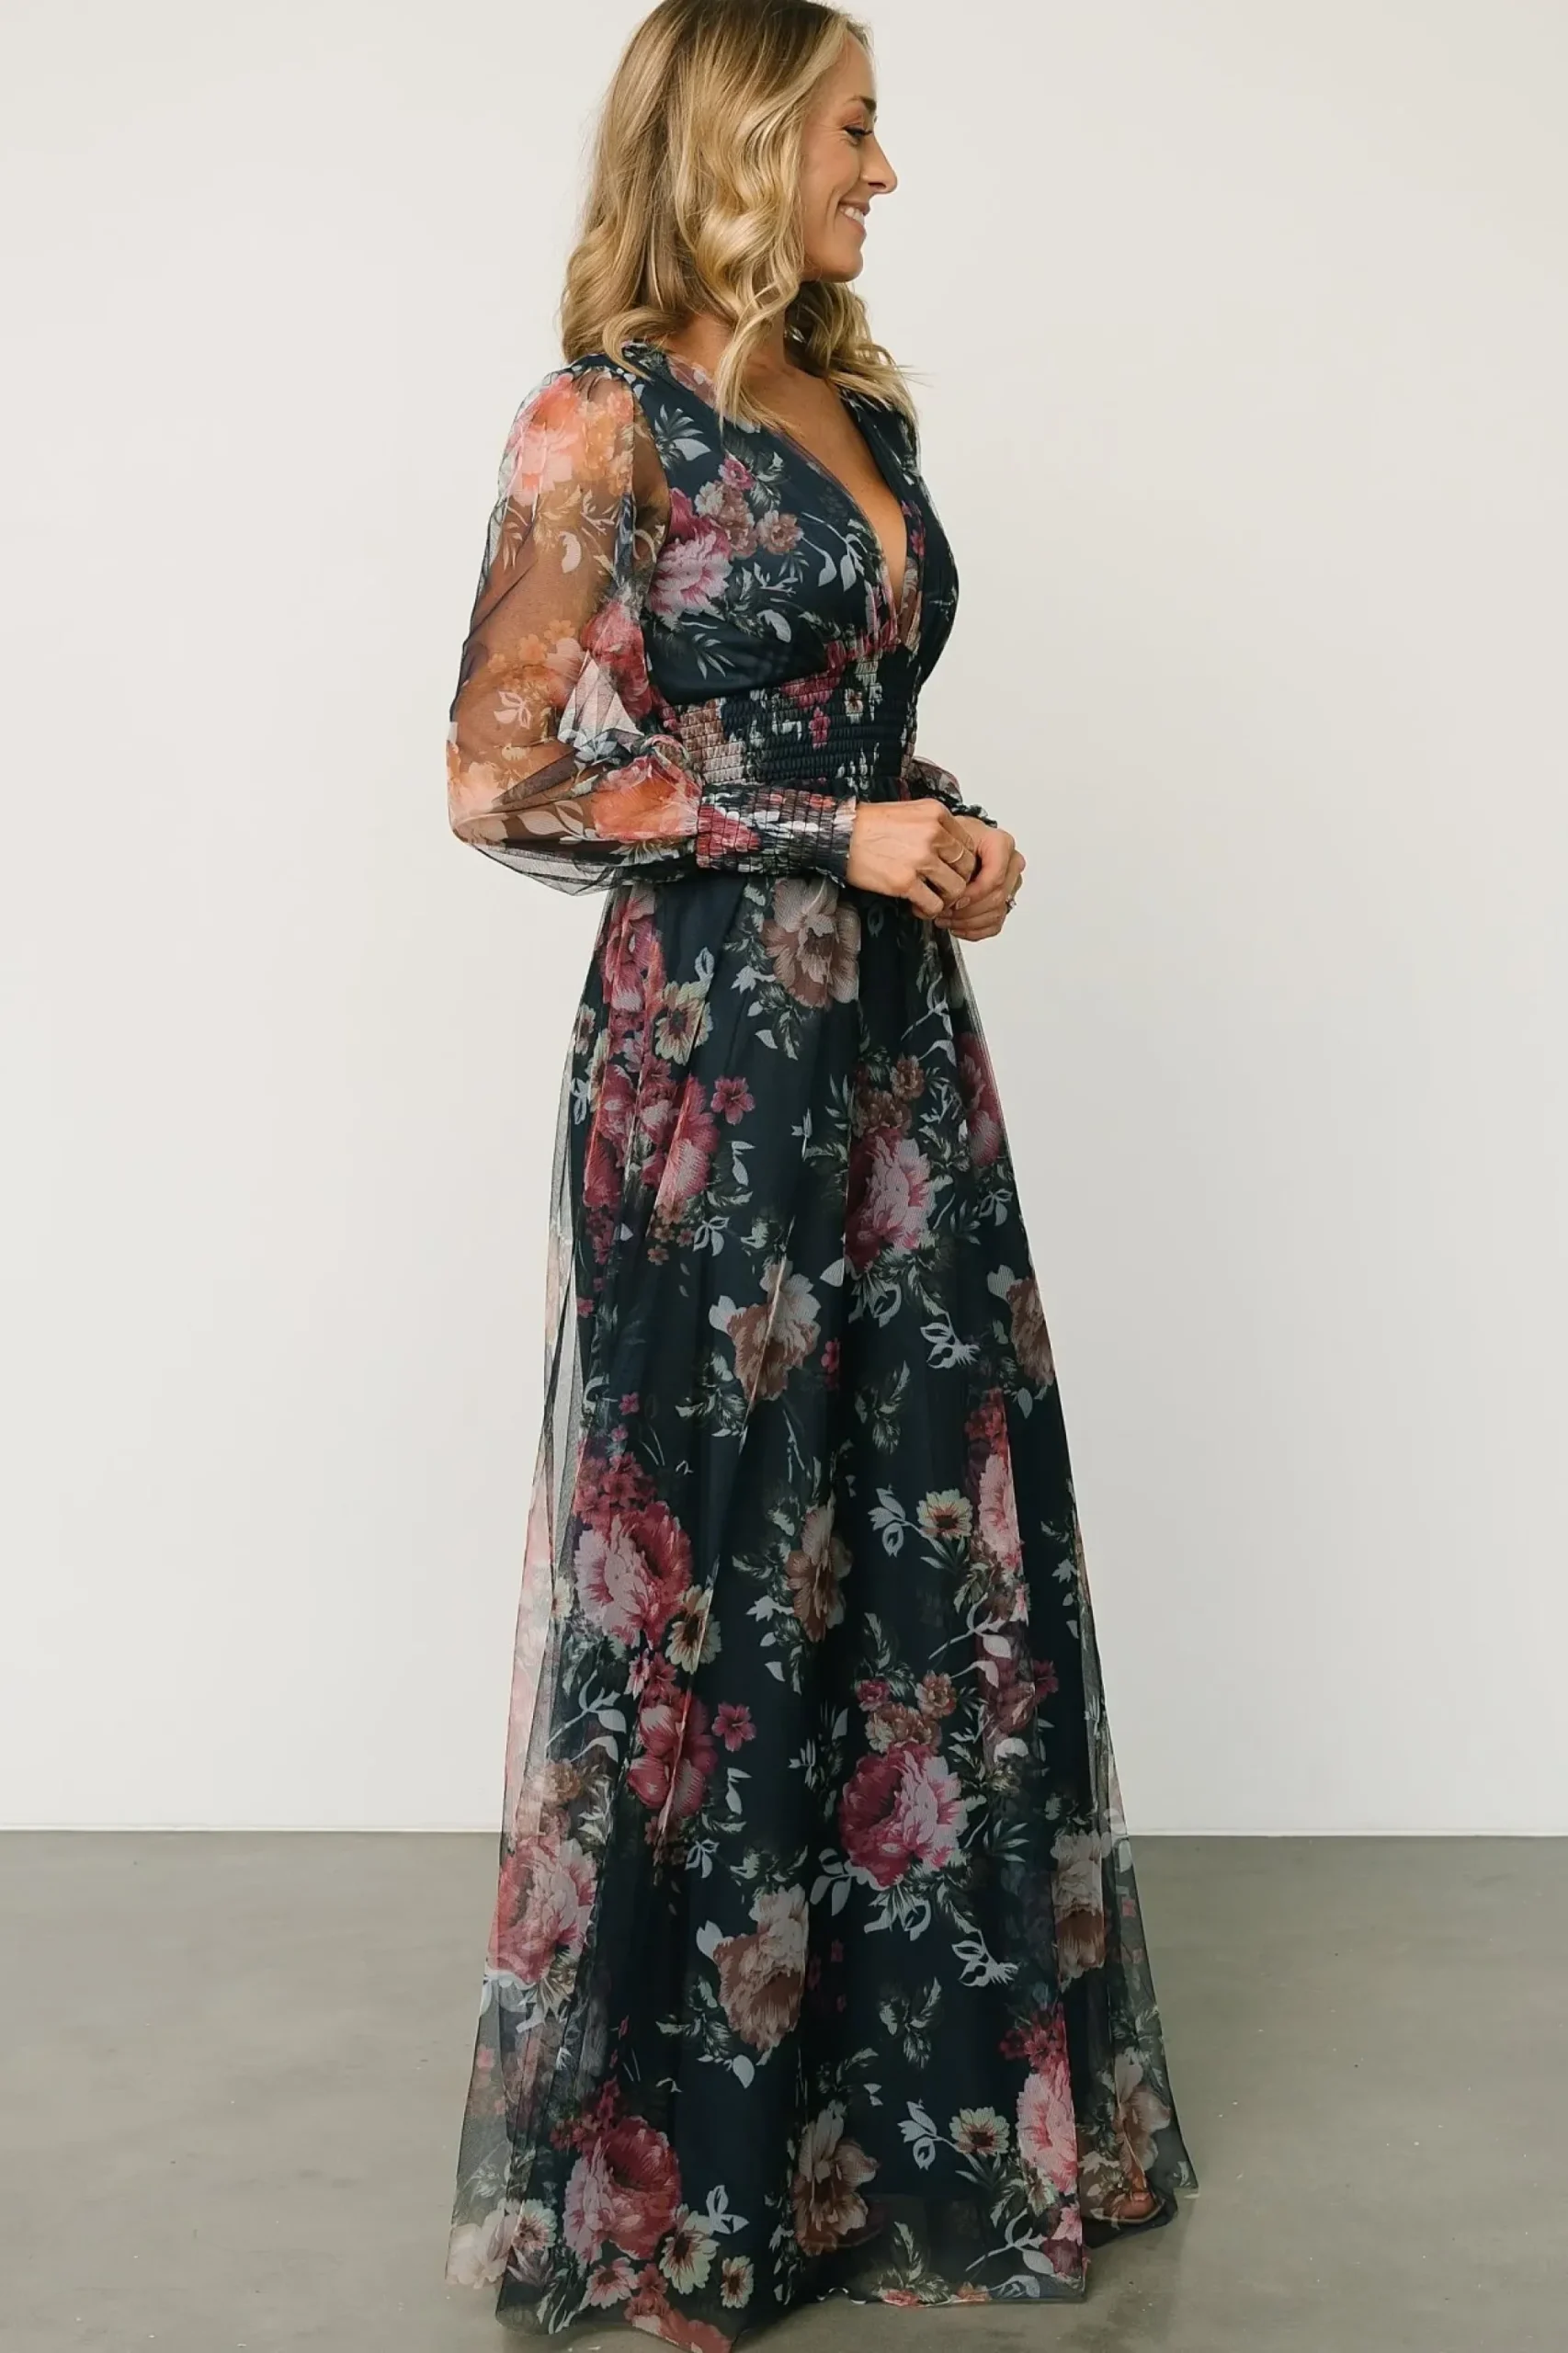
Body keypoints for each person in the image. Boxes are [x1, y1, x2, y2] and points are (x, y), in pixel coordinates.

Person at [441, 1, 1197, 2339]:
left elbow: (843, 728)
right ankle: (689, 2175)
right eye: (855, 125)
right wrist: (820, 828)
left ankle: (906, 2126)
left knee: (915, 1536)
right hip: (710, 1078)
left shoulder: (853, 405)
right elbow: (501, 774)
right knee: (717, 1566)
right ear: (748, 136)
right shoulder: (597, 420)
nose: (886, 167)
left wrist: (933, 824)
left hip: (887, 1056)